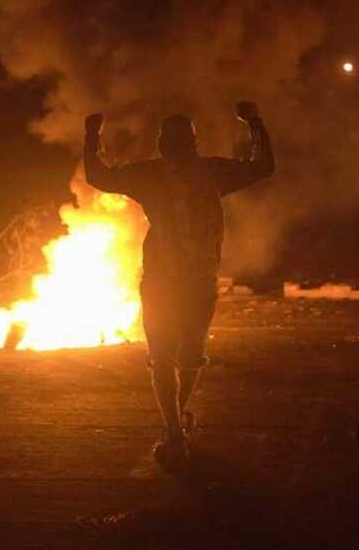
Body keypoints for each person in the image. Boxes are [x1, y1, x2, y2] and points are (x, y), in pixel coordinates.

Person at [84, 102, 274, 469]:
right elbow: (264, 166)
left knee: (177, 357)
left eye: (178, 139)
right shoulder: (204, 172)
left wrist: (92, 136)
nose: (175, 145)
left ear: (189, 142)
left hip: (183, 281)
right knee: (176, 356)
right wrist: (255, 123)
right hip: (179, 281)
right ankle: (174, 428)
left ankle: (174, 424)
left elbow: (99, 175)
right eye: (171, 139)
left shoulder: (182, 173)